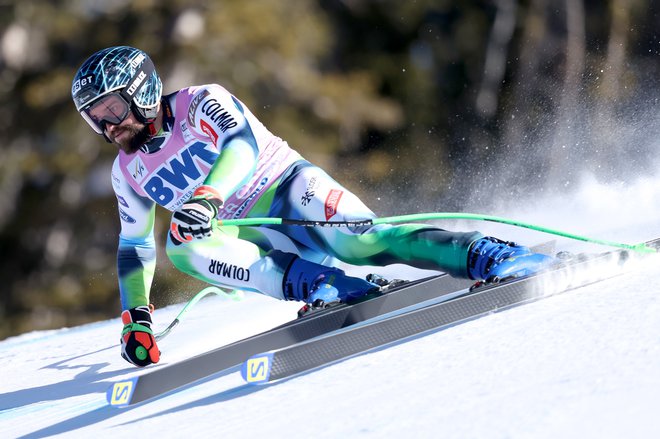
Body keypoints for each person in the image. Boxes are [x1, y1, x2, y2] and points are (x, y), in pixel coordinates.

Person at [71, 46, 555, 367]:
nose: (109, 126)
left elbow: (240, 145)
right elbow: (134, 246)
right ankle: (326, 286)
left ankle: (488, 254)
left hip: (288, 189)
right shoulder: (127, 173)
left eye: (112, 109)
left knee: (362, 242)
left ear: (143, 90)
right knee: (180, 242)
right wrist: (136, 317)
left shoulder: (202, 102)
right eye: (96, 118)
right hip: (258, 239)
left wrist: (208, 196)